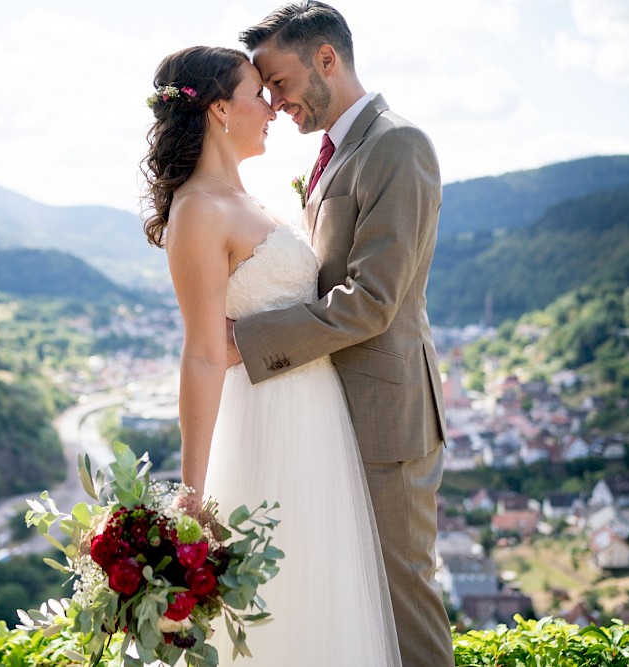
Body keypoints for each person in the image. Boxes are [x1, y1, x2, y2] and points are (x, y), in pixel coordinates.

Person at [142, 46, 401, 665]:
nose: (273, 108)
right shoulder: (199, 211)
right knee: (280, 610)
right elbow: (204, 355)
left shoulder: (250, 203)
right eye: (259, 94)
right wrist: (192, 491)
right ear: (219, 111)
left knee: (324, 595)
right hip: (266, 423)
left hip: (319, 420)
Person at [228, 3, 454, 666]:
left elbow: (372, 302)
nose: (274, 101)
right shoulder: (340, 152)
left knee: (402, 599)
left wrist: (245, 335)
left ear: (327, 58)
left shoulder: (397, 144)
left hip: (389, 421)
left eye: (280, 81)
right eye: (264, 89)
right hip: (336, 414)